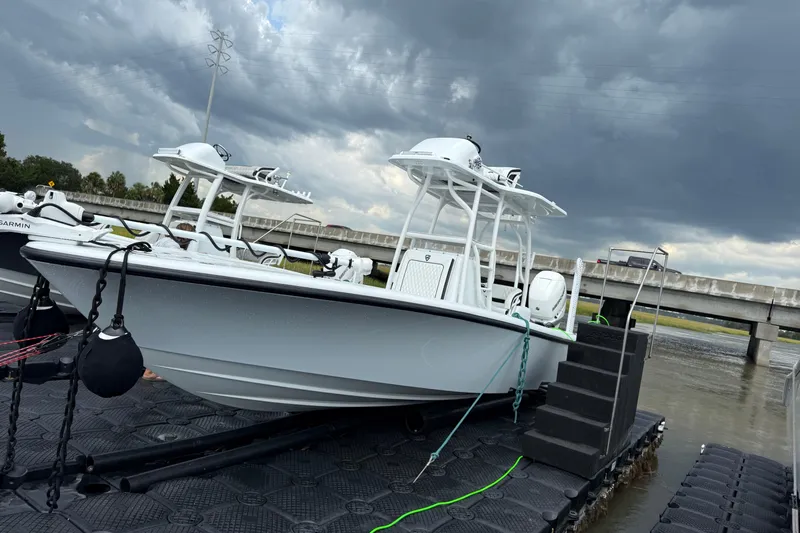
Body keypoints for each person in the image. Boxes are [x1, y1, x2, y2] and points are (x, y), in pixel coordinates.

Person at [143, 222, 196, 382]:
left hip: (151, 296)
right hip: (164, 298)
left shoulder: (160, 243)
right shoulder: (174, 250)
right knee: (163, 334)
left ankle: (149, 368)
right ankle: (151, 371)